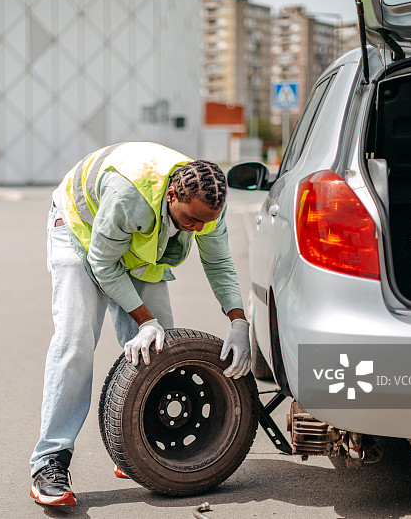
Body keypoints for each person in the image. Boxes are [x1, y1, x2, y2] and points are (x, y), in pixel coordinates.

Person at [30, 142, 251, 507]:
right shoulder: (128, 197)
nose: (198, 229)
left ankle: (135, 448)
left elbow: (219, 263)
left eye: (205, 223)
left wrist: (238, 322)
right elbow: (102, 264)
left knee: (160, 349)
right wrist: (143, 320)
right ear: (173, 195)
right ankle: (49, 461)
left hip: (137, 237)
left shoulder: (207, 205)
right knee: (76, 343)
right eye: (191, 221)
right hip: (81, 231)